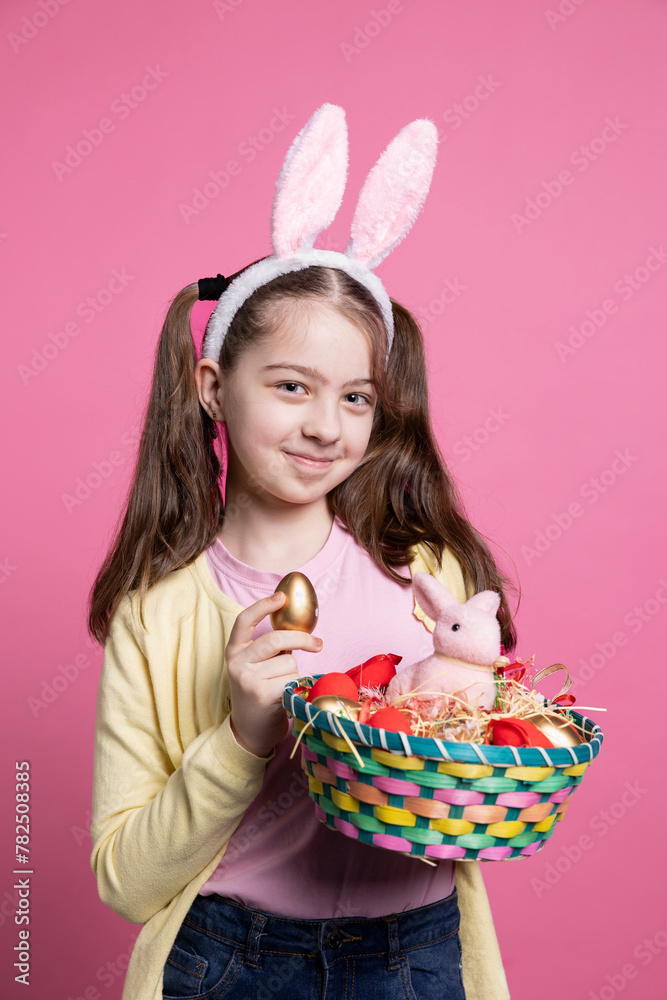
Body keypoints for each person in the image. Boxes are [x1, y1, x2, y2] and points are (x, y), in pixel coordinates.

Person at [88, 104, 515, 1000]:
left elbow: (472, 780)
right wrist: (242, 732)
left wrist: (471, 730)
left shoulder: (426, 576)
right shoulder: (156, 612)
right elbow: (125, 885)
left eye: (356, 398)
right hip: (229, 959)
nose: (326, 426)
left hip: (416, 952)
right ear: (213, 386)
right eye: (291, 386)